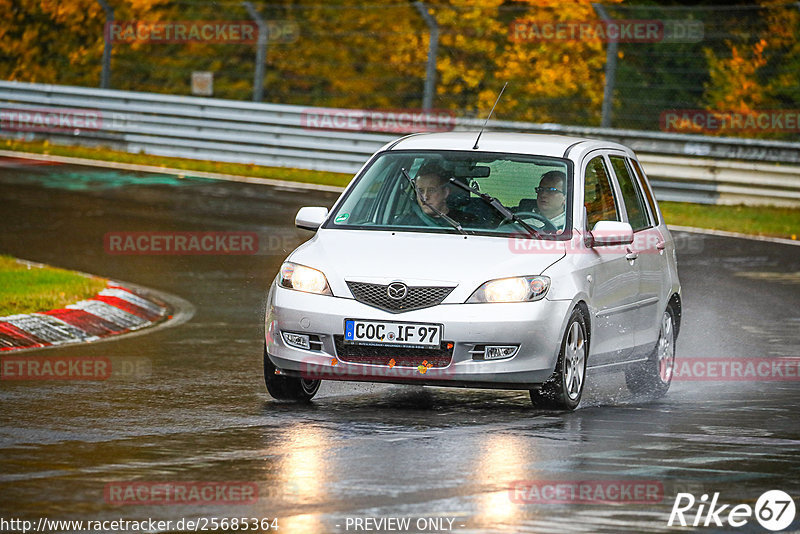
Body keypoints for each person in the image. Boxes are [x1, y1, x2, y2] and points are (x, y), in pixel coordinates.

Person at [397, 163, 476, 226]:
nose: (424, 197)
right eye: (420, 191)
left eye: (431, 190)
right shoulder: (403, 224)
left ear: (445, 192)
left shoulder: (468, 223)